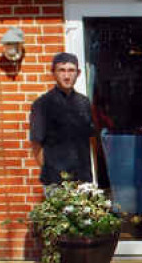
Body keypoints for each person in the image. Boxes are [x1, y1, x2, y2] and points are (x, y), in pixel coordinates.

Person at [29, 52, 96, 186]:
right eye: (62, 70)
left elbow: (91, 139)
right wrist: (50, 175)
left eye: (71, 70)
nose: (67, 76)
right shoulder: (43, 104)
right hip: (56, 181)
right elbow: (36, 144)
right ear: (53, 73)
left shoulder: (84, 103)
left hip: (83, 178)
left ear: (78, 73)